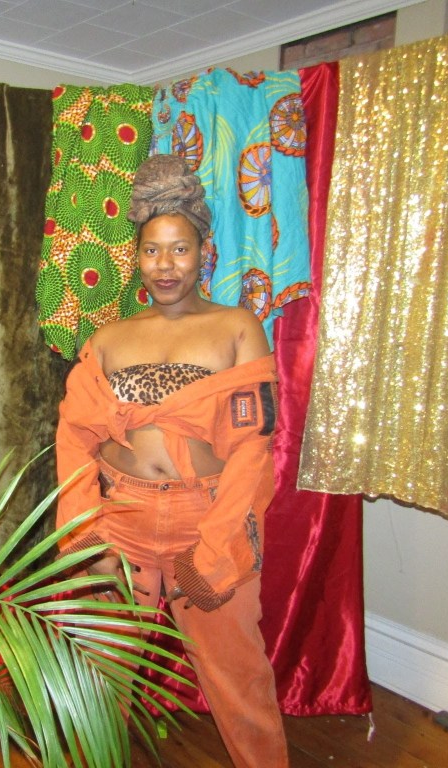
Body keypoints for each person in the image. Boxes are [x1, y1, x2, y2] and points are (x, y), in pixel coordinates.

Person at [55, 153, 288, 768]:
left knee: (238, 679)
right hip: (120, 519)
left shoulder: (238, 326)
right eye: (153, 251)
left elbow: (250, 450)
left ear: (203, 251)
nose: (166, 265)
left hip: (204, 519)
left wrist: (218, 545)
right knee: (99, 682)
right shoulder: (108, 338)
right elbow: (74, 437)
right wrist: (85, 532)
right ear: (136, 257)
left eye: (180, 249)